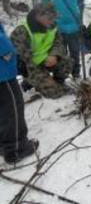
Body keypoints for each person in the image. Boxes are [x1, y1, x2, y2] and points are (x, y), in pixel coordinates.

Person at [10, 2, 73, 99]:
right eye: (50, 18)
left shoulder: (52, 25)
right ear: (38, 16)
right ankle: (30, 82)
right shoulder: (22, 30)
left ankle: (58, 82)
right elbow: (26, 60)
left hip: (47, 59)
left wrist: (54, 55)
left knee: (67, 62)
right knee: (55, 93)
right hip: (30, 66)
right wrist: (44, 78)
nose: (52, 21)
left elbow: (59, 43)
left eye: (54, 18)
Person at [0, 23, 39, 164]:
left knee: (3, 111)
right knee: (13, 110)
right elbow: (4, 45)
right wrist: (10, 50)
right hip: (3, 76)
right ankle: (16, 149)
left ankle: (4, 145)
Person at [40, 0, 84, 79]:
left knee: (75, 52)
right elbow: (45, 6)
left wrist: (79, 19)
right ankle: (61, 76)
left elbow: (81, 5)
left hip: (74, 27)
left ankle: (76, 74)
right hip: (58, 29)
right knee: (60, 54)